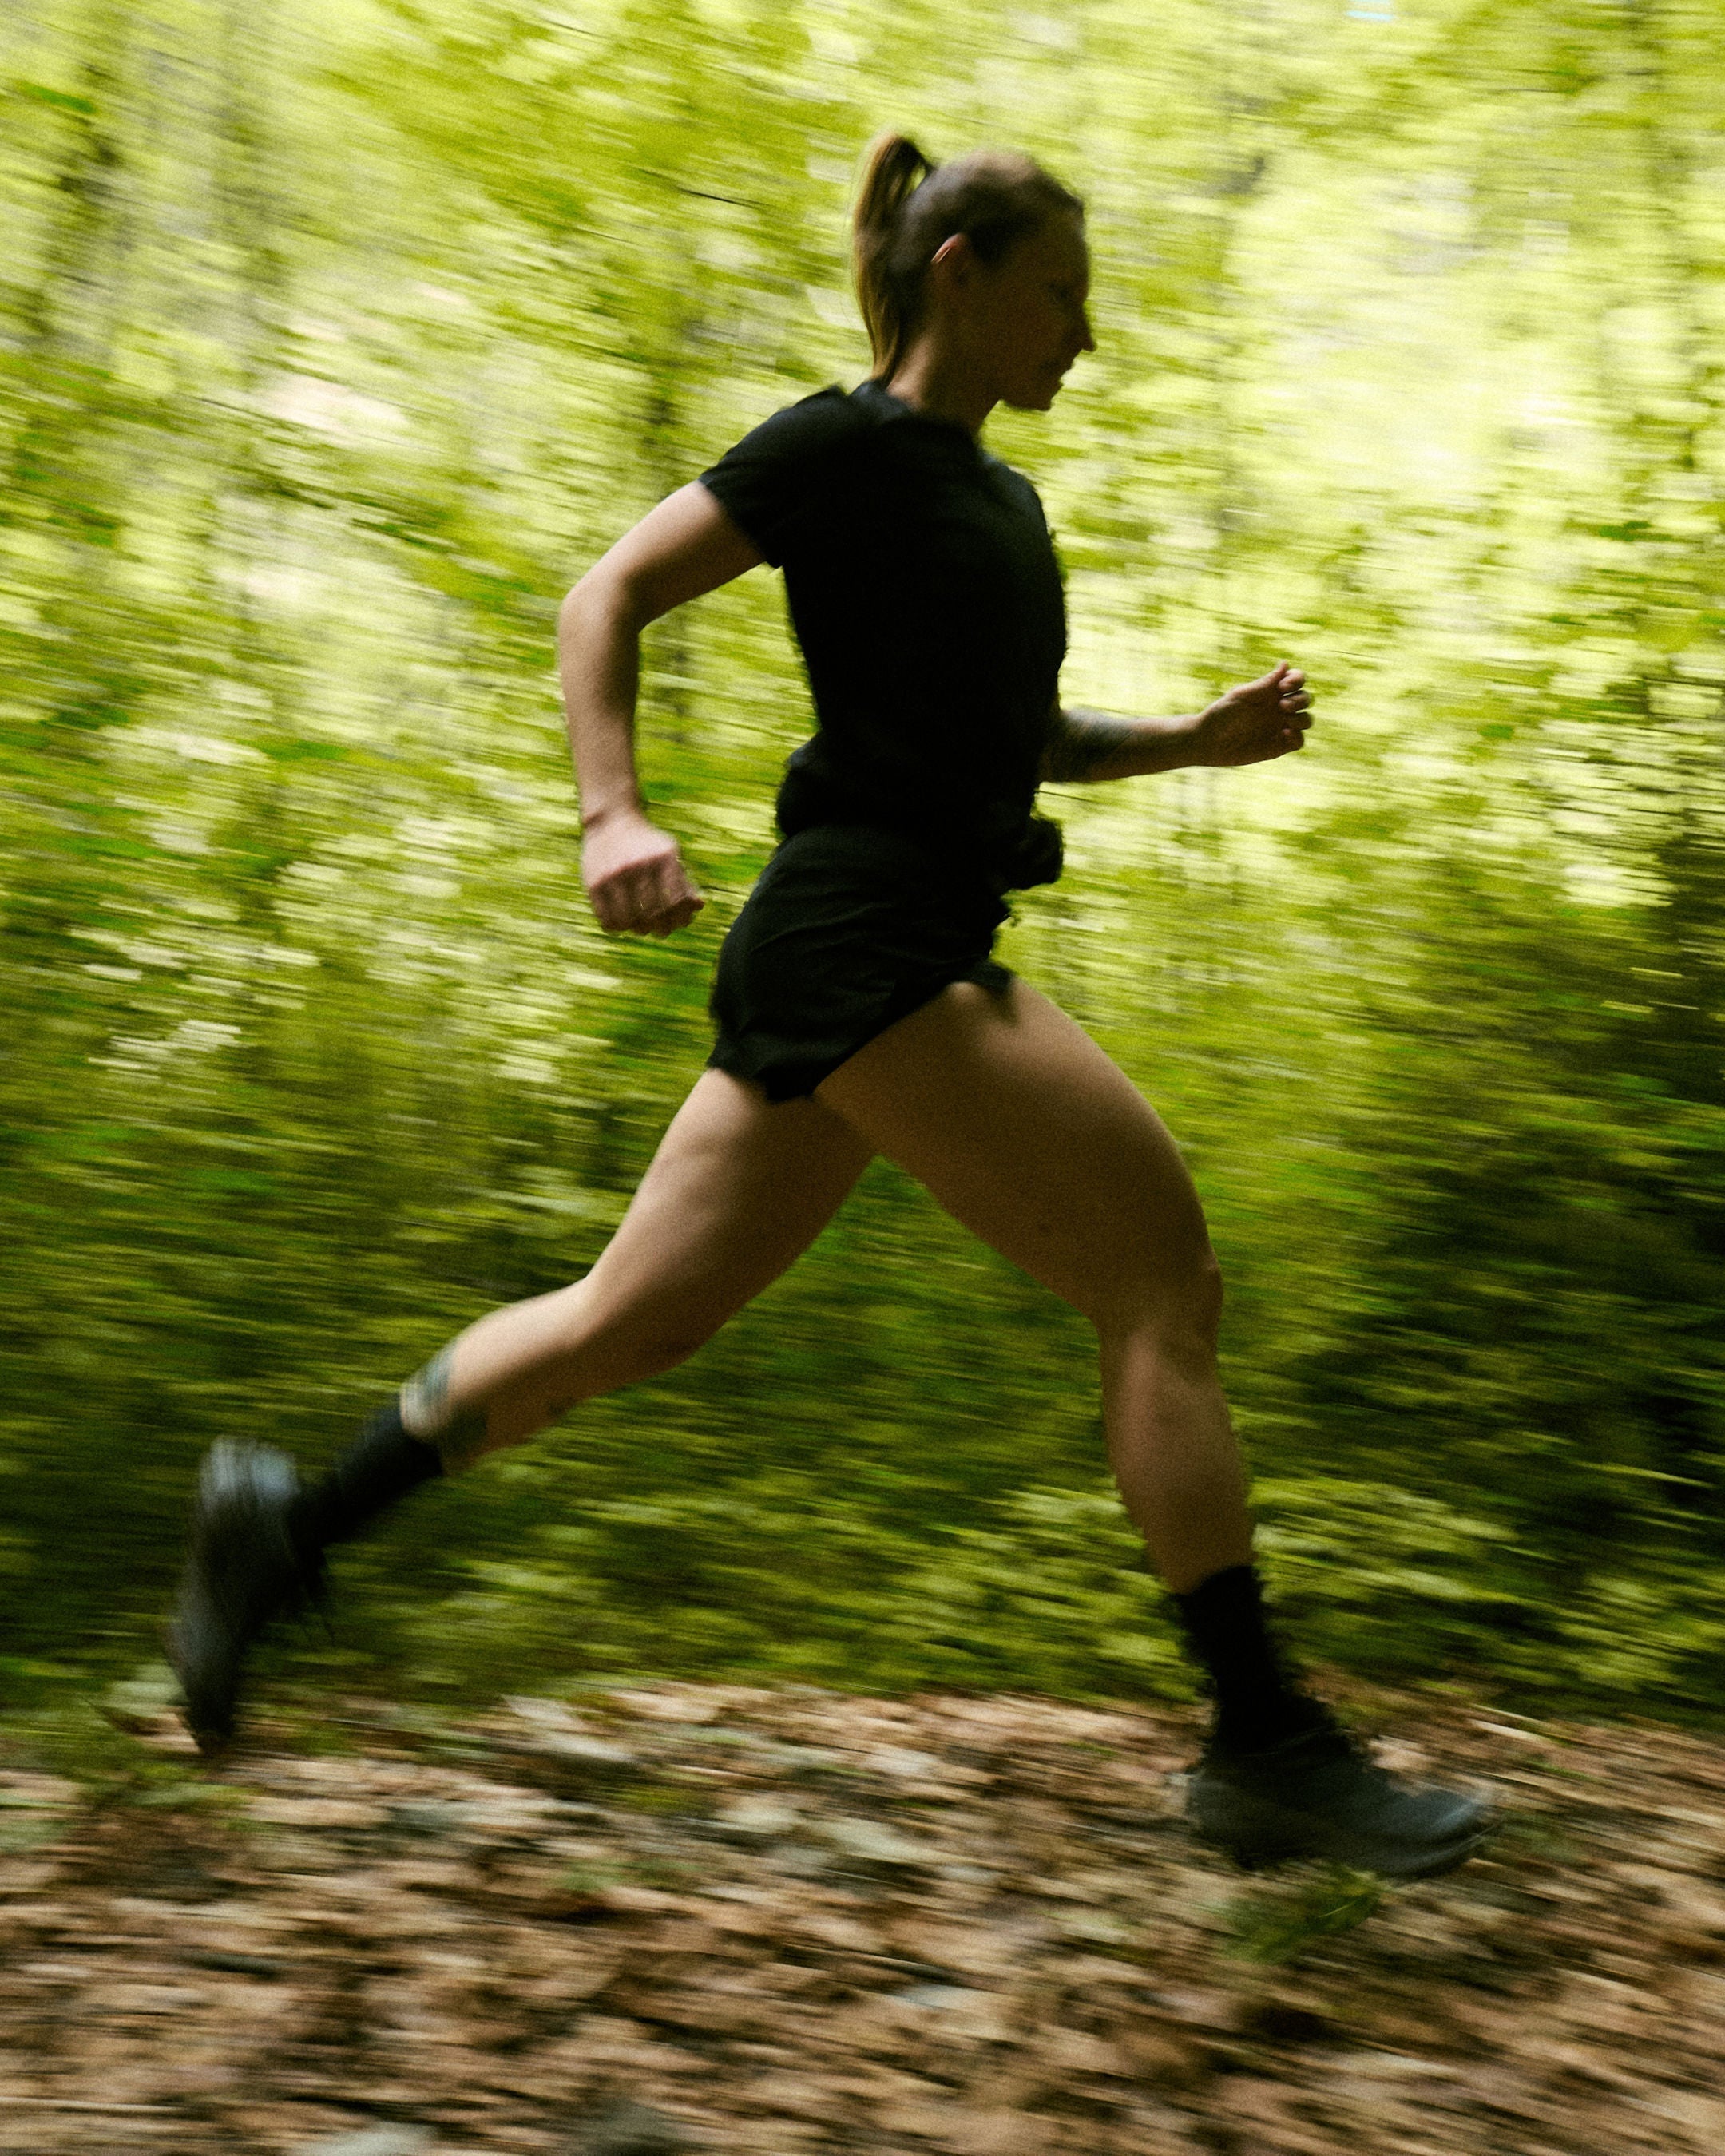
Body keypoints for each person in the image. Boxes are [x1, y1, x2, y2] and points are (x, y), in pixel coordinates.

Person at [169, 133, 1493, 1880]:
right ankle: (1263, 1745)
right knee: (1158, 1276)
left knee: (624, 1324)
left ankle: (285, 1524)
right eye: (1062, 294)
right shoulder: (838, 449)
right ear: (963, 274)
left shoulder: (1001, 505)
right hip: (868, 944)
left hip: (868, 945)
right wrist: (611, 809)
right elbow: (608, 593)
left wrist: (1196, 741)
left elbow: (1014, 739)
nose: (1084, 337)